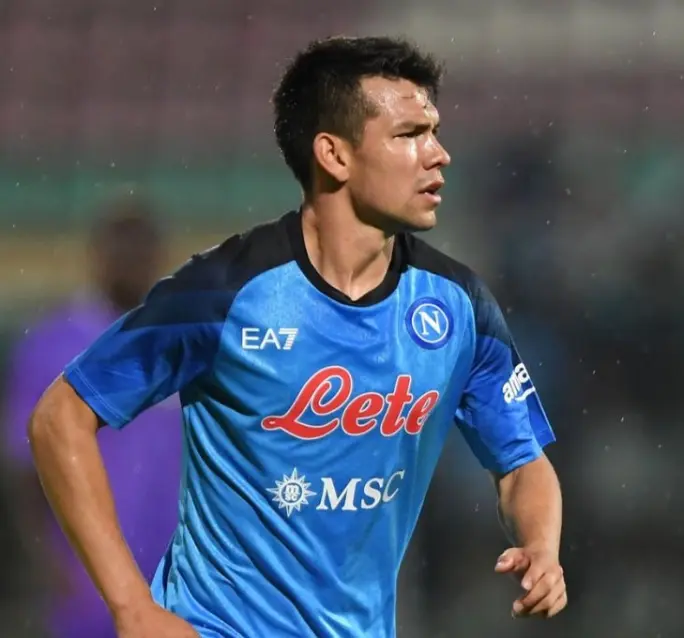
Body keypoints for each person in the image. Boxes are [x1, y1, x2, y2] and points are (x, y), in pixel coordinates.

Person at [26, 36, 565, 638]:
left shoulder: (458, 305)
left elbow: (522, 463)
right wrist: (131, 607)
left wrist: (541, 545)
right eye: (409, 134)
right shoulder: (223, 293)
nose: (438, 154)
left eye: (434, 132)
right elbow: (59, 418)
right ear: (334, 155)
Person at [3, 198, 182, 638]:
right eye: (123, 248)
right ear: (100, 254)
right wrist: (45, 560)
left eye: (142, 248)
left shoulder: (182, 341)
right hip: (85, 580)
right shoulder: (54, 343)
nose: (132, 260)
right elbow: (23, 467)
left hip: (173, 578)